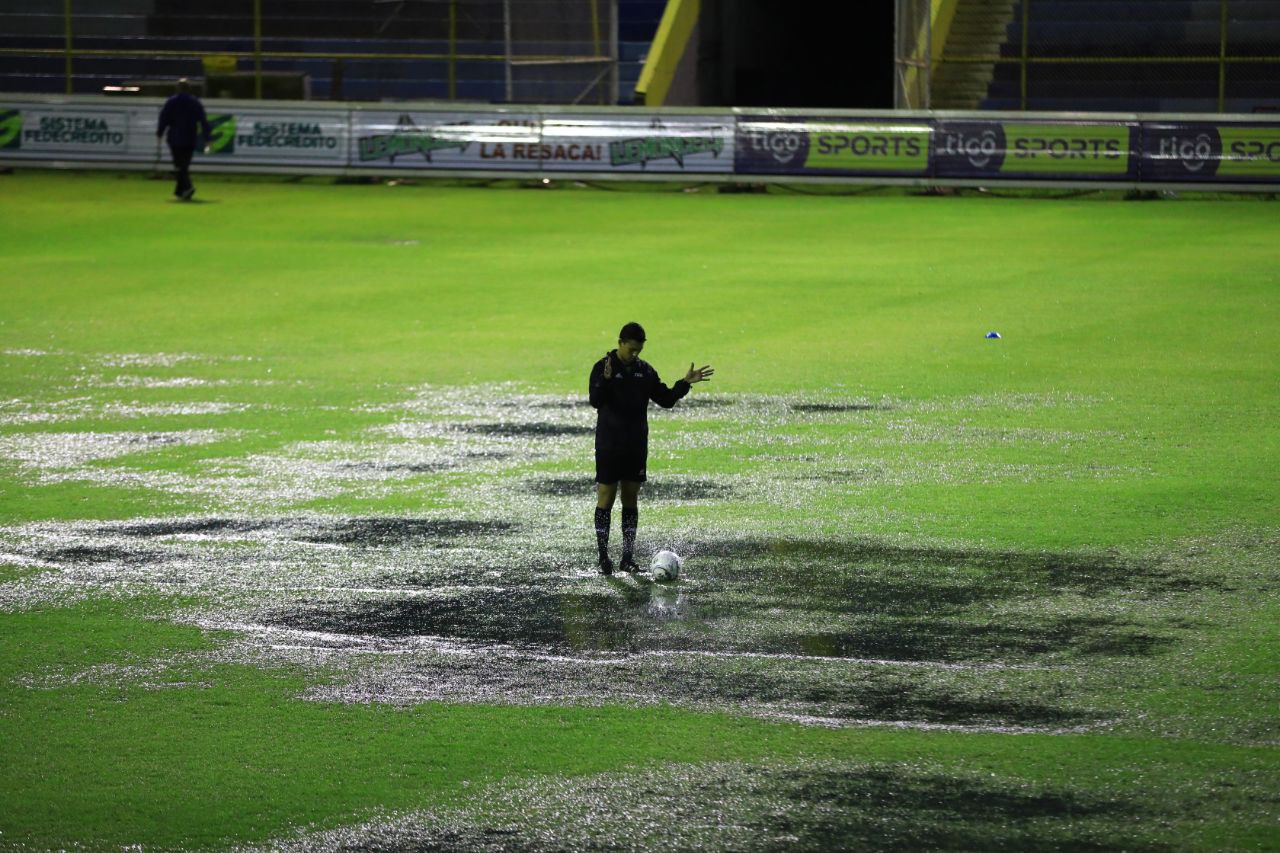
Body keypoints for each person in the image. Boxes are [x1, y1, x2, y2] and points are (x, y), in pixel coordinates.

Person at [588, 322, 714, 575]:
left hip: (635, 444)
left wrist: (685, 384)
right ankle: (603, 558)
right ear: (620, 343)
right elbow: (595, 401)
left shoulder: (644, 371)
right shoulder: (603, 368)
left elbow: (665, 399)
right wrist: (606, 381)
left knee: (631, 498)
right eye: (632, 349)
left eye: (639, 350)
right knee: (606, 497)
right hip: (609, 443)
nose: (635, 354)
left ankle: (627, 557)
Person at [156, 78, 211, 201]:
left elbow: (164, 118)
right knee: (184, 165)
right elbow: (203, 121)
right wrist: (207, 138)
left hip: (175, 138)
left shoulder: (171, 101)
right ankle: (180, 191)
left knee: (179, 166)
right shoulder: (195, 102)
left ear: (178, 88)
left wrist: (160, 132)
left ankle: (188, 187)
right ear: (189, 88)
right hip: (190, 138)